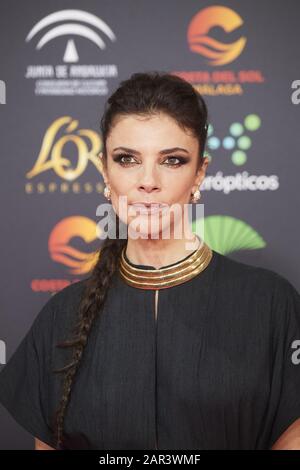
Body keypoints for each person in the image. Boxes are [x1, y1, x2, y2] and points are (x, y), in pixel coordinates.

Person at [0, 71, 300, 450]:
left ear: (199, 174)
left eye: (172, 160)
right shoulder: (61, 317)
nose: (148, 181)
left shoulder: (270, 305)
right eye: (127, 159)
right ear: (104, 171)